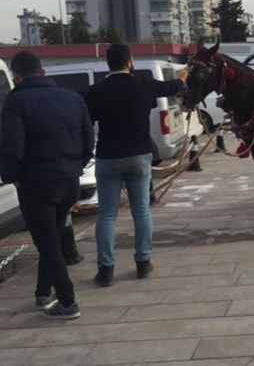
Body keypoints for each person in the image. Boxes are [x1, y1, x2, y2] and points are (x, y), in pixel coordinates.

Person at [0, 51, 94, 320]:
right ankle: (43, 292)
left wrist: (10, 176)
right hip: (68, 181)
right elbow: (88, 138)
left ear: (16, 76)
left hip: (36, 184)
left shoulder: (15, 101)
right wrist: (75, 166)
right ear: (42, 71)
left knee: (48, 244)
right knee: (49, 238)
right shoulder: (72, 97)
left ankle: (67, 302)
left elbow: (13, 147)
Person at [86, 44, 186, 287]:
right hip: (139, 155)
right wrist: (182, 78)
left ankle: (106, 269)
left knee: (107, 214)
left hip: (108, 156)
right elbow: (172, 87)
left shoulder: (96, 91)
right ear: (129, 62)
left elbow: (87, 119)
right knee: (140, 210)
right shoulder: (143, 84)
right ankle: (142, 262)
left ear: (108, 63)